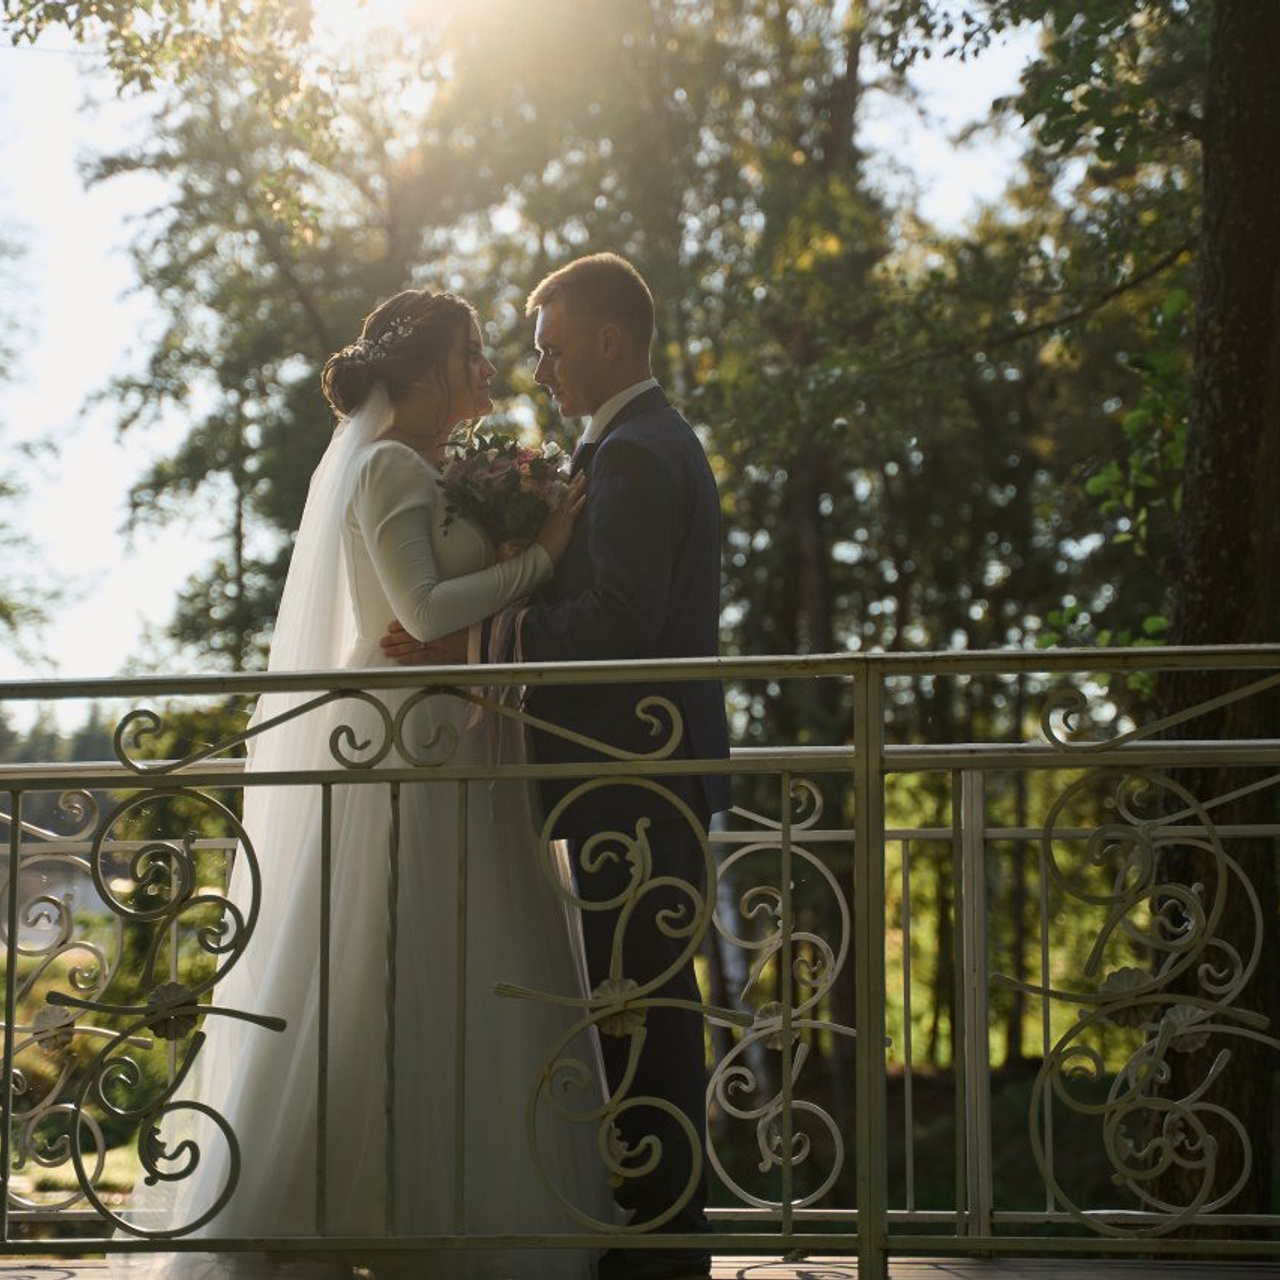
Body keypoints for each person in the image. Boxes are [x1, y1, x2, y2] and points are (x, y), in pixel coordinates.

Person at [110, 289, 609, 1279]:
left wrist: (509, 551)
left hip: (451, 746)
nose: (484, 366)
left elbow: (438, 605)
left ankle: (448, 1206)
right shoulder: (384, 465)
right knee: (377, 965)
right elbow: (420, 609)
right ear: (421, 371)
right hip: (390, 755)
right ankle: (334, 1206)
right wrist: (539, 557)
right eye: (469, 351)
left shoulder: (439, 470)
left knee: (462, 965)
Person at [384, 254, 729, 1280]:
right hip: (632, 768)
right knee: (639, 998)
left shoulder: (631, 453)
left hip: (633, 767)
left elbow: (618, 623)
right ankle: (657, 1214)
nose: (540, 367)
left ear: (609, 341)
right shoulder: (631, 442)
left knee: (642, 1001)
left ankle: (662, 1233)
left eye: (552, 345)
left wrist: (479, 643)